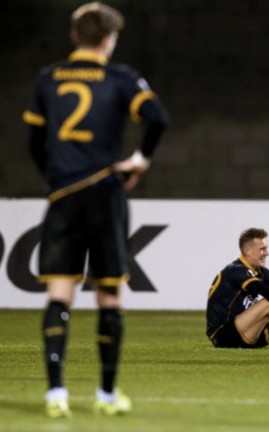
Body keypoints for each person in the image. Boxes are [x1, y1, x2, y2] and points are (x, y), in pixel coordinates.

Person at [23, 2, 169, 418]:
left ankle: (56, 394)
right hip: (106, 193)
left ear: (74, 36)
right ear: (109, 39)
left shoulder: (48, 79)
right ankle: (106, 396)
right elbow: (157, 117)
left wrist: (56, 178)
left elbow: (34, 142)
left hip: (63, 197)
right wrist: (140, 160)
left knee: (58, 294)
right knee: (108, 295)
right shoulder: (121, 78)